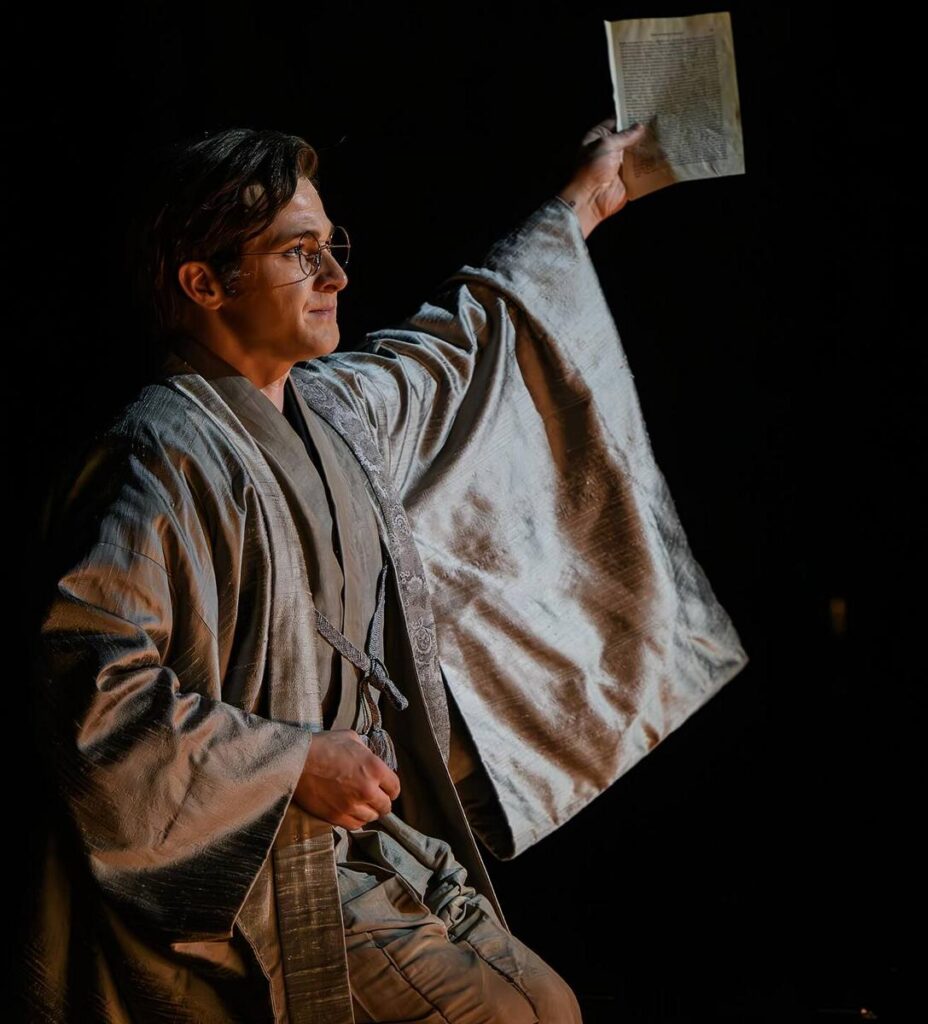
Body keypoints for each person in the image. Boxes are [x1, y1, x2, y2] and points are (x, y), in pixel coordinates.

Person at [23, 118, 749, 1022]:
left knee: (550, 1003)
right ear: (204, 283)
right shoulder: (159, 459)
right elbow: (90, 691)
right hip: (253, 864)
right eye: (300, 254)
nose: (335, 277)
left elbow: (466, 338)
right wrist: (292, 763)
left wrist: (589, 199)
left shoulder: (335, 409)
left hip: (363, 842)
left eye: (333, 247)